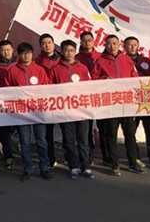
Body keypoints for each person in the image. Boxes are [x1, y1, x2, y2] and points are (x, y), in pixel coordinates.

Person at [92, 35, 144, 176]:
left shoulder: (126, 60)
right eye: (109, 43)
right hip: (111, 104)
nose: (112, 46)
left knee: (130, 135)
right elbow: (94, 80)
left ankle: (133, 163)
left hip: (127, 104)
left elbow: (135, 79)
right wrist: (104, 79)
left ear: (119, 44)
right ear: (105, 45)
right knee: (111, 135)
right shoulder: (100, 61)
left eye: (114, 43)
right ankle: (114, 165)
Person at [6, 42, 54, 181]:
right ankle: (27, 169)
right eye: (23, 53)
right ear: (18, 54)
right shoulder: (13, 71)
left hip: (38, 111)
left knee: (41, 141)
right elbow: (7, 90)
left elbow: (46, 88)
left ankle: (44, 168)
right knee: (25, 142)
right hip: (22, 112)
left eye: (28, 52)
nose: (26, 55)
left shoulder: (39, 70)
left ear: (32, 54)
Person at [49, 40, 94, 179]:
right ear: (61, 52)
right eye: (66, 50)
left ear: (75, 51)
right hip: (65, 111)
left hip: (82, 110)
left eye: (72, 50)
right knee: (69, 139)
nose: (69, 53)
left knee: (83, 140)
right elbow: (49, 88)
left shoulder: (83, 68)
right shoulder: (55, 69)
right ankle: (74, 166)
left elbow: (90, 87)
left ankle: (86, 166)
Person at [124, 36, 150, 168]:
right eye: (129, 44)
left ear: (138, 46)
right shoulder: (121, 61)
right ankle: (134, 156)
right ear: (124, 46)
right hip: (131, 100)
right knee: (131, 131)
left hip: (147, 99)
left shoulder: (146, 60)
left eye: (134, 44)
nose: (132, 47)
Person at [0, 40, 17, 170]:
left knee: (20, 130)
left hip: (19, 102)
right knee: (4, 131)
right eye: (3, 50)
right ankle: (8, 156)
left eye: (8, 50)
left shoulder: (18, 62)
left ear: (13, 50)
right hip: (2, 102)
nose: (6, 52)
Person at [35, 34, 60, 169]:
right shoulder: (37, 62)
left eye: (49, 42)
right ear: (40, 46)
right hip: (47, 100)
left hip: (63, 100)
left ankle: (73, 160)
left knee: (69, 132)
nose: (47, 45)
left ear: (53, 43)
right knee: (47, 133)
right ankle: (50, 158)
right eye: (44, 43)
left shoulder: (62, 58)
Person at [76, 31, 102, 161]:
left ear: (94, 41)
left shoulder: (100, 56)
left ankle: (107, 156)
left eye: (89, 40)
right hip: (84, 96)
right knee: (86, 127)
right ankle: (88, 154)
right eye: (84, 40)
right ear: (80, 42)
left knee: (103, 126)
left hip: (100, 95)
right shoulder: (76, 58)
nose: (87, 43)